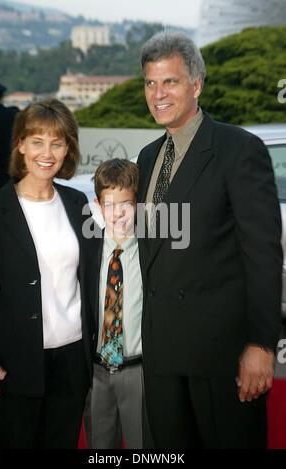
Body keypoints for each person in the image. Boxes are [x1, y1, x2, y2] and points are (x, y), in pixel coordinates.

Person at [137, 31, 283, 449]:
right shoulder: (147, 158)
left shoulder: (239, 150)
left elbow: (263, 256)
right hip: (162, 358)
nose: (158, 94)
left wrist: (260, 344)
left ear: (196, 84)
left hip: (220, 358)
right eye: (150, 82)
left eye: (170, 81)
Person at [0, 98, 93, 448]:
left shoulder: (78, 204)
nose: (46, 153)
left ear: (67, 150)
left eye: (57, 143)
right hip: (13, 365)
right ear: (20, 144)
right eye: (37, 141)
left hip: (72, 362)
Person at [84, 158, 149, 449]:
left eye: (127, 204)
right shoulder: (88, 250)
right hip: (96, 372)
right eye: (110, 205)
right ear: (98, 204)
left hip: (140, 371)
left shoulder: (151, 251)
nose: (118, 213)